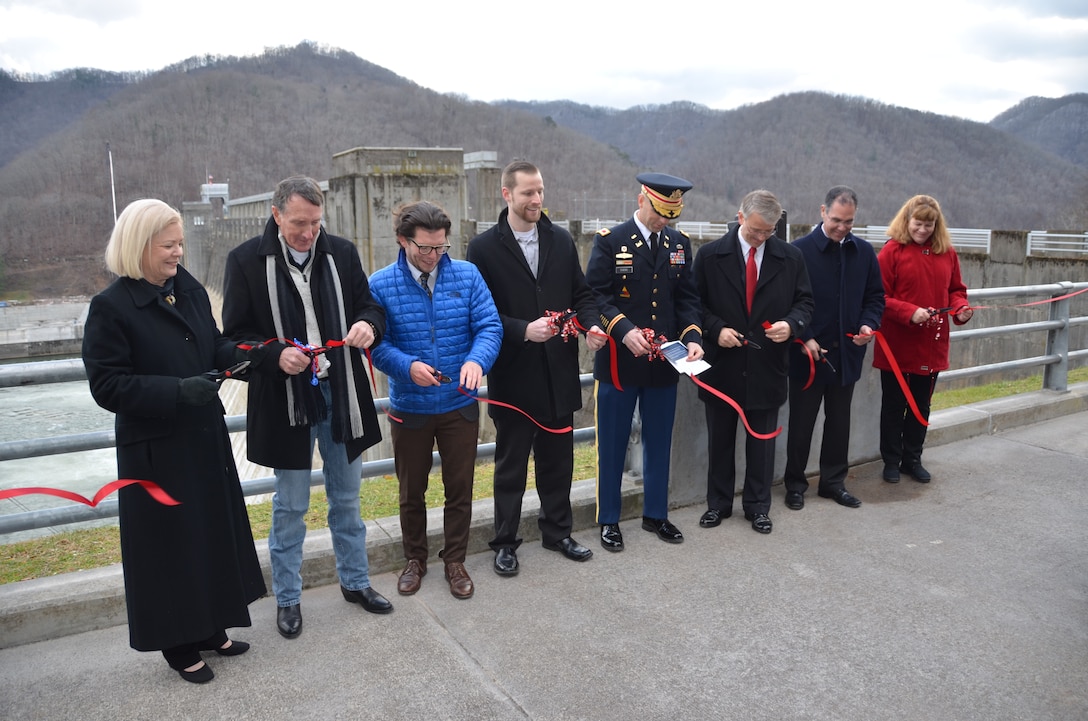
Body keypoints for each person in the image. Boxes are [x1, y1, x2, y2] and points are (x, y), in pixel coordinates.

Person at [82, 199, 265, 684]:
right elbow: (107, 386)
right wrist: (176, 391)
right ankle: (178, 643)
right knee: (170, 548)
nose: (178, 253)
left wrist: (255, 356)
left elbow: (216, 347)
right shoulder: (110, 307)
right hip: (156, 449)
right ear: (138, 247)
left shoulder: (187, 291)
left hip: (203, 437)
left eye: (180, 243)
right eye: (168, 245)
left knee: (209, 534)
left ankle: (211, 626)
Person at [222, 175, 392, 641]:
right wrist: (273, 354)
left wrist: (366, 326)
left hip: (345, 392)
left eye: (316, 223)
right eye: (299, 223)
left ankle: (355, 583)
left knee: (348, 499)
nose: (308, 233)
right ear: (276, 215)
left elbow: (372, 308)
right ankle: (289, 598)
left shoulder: (343, 251)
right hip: (285, 400)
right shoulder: (244, 262)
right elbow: (232, 339)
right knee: (291, 505)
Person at [466, 160, 606, 576]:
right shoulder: (484, 247)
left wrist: (592, 327)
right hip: (513, 375)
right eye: (528, 192)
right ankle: (505, 543)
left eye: (540, 191)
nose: (537, 199)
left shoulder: (560, 241)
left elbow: (582, 295)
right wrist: (524, 330)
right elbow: (481, 313)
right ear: (506, 194)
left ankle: (557, 532)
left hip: (559, 373)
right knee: (511, 466)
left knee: (557, 462)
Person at [369, 200, 502, 599]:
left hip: (459, 405)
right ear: (401, 240)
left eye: (440, 248)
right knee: (411, 491)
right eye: (423, 248)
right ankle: (415, 559)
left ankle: (455, 560)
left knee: (459, 488)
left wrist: (478, 361)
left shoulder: (467, 274)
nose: (432, 257)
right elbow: (377, 345)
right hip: (409, 407)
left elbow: (489, 326)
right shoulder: (379, 284)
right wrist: (407, 367)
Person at [584, 172, 704, 551]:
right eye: (659, 212)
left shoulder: (679, 243)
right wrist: (623, 330)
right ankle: (609, 520)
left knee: (658, 441)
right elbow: (596, 297)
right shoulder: (611, 241)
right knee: (613, 445)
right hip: (620, 363)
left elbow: (686, 299)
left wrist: (693, 338)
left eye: (671, 214)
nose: (664, 221)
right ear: (641, 200)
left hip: (664, 364)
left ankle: (656, 514)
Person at [693, 189, 813, 535]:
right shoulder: (710, 256)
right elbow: (693, 305)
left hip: (768, 365)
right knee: (720, 440)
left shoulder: (790, 258)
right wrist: (715, 330)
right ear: (740, 217)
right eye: (756, 230)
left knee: (762, 442)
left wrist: (791, 325)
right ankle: (717, 504)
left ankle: (759, 506)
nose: (761, 238)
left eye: (769, 232)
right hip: (721, 365)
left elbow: (805, 303)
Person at [783, 187, 884, 510]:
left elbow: (875, 298)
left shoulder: (864, 253)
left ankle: (833, 482)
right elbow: (788, 302)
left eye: (849, 222)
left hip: (847, 355)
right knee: (801, 424)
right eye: (837, 220)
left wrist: (869, 325)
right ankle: (795, 484)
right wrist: (805, 336)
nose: (842, 227)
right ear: (823, 211)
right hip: (807, 355)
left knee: (839, 423)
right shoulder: (798, 252)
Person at [875, 194, 972, 483]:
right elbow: (878, 298)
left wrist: (960, 309)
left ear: (936, 225)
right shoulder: (891, 252)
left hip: (931, 344)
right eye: (918, 224)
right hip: (897, 343)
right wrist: (909, 312)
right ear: (907, 221)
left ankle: (912, 458)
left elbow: (957, 290)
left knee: (922, 405)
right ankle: (891, 461)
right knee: (894, 405)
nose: (923, 230)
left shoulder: (948, 253)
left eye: (929, 225)